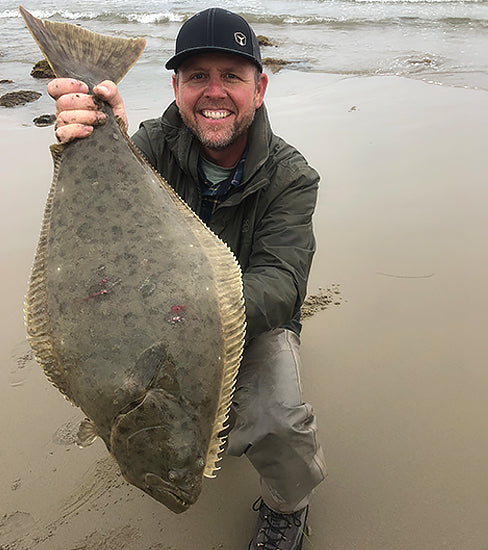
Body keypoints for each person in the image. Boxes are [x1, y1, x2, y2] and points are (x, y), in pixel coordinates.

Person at [48, 8, 323, 550]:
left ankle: (287, 508)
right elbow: (94, 219)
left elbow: (284, 281)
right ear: (175, 86)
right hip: (152, 318)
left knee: (278, 418)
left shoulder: (292, 176)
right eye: (198, 76)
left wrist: (201, 311)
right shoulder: (144, 148)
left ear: (259, 87)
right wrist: (91, 134)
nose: (213, 92)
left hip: (248, 317)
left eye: (232, 77)